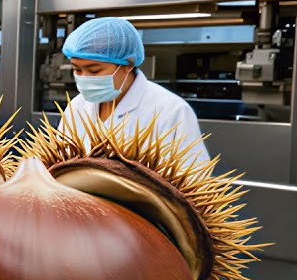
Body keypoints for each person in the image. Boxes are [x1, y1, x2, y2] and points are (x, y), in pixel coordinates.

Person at [60, 17, 210, 167]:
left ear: (128, 65)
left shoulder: (171, 111)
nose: (84, 77)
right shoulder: (78, 106)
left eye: (94, 70)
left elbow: (194, 174)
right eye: (77, 69)